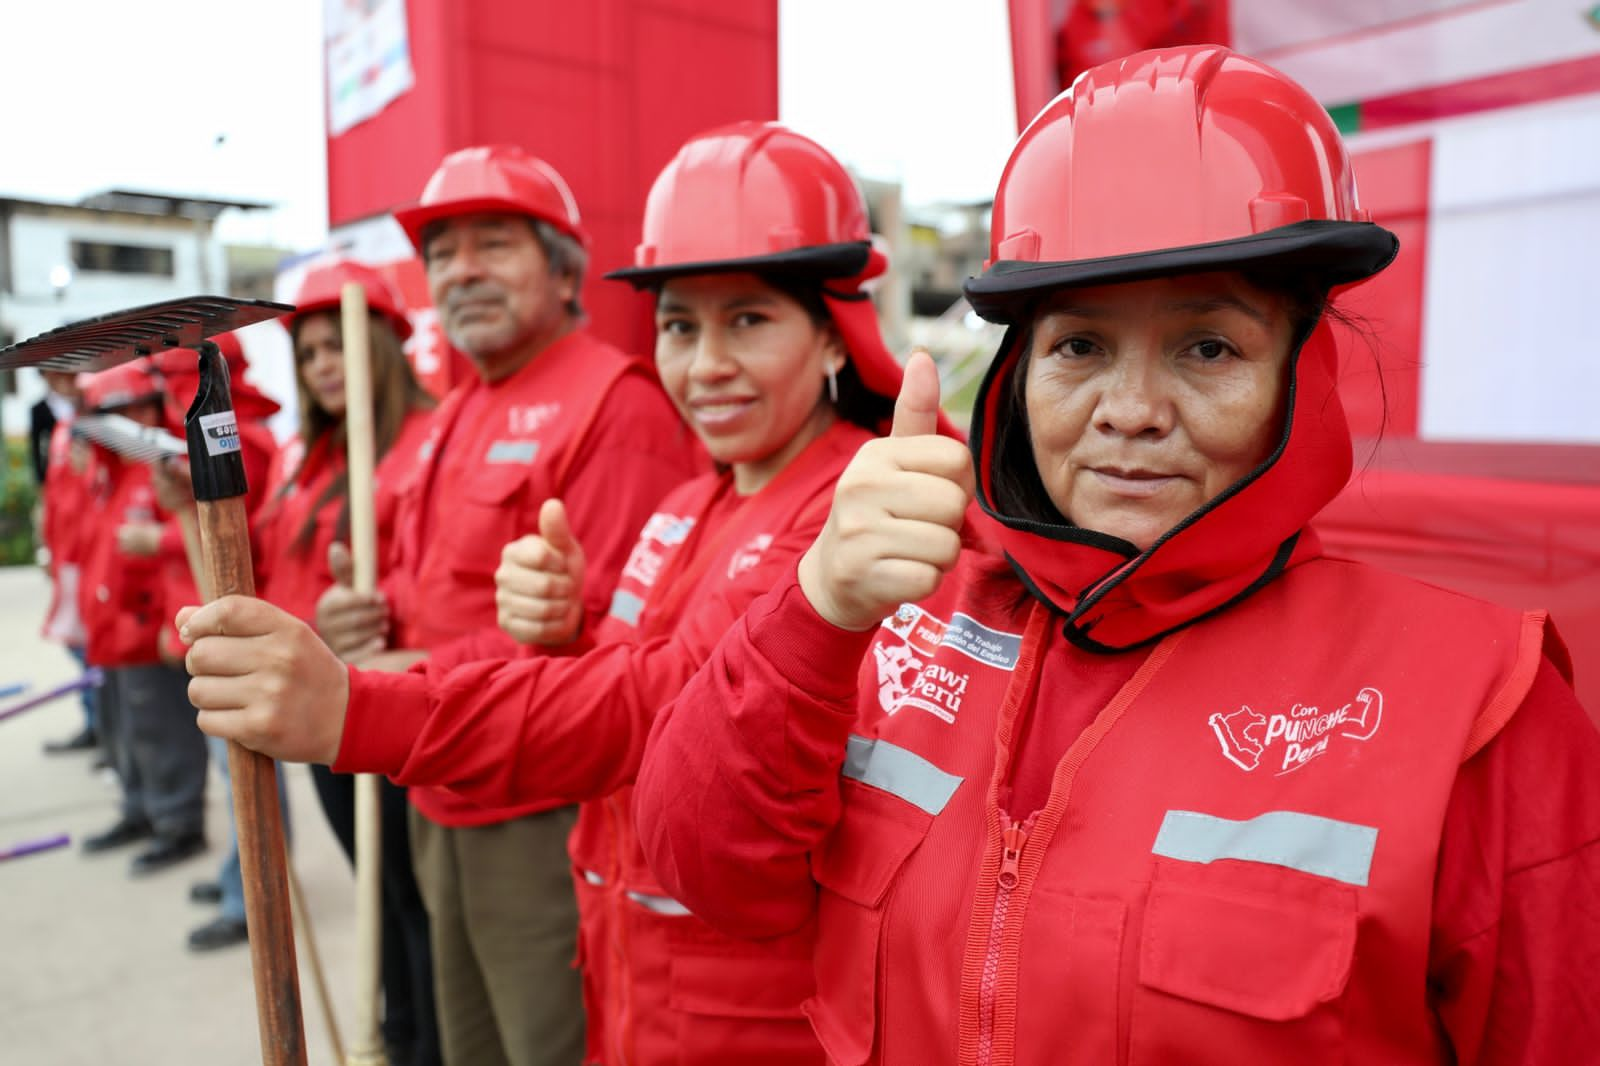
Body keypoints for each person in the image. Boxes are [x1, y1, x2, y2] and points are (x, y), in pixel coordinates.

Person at [625, 48, 1600, 1065]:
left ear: (1301, 372)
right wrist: (816, 607)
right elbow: (707, 867)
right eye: (1079, 347)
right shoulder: (900, 615)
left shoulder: (1479, 707)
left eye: (1206, 348)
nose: (1128, 414)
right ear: (1016, 374)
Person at [177, 122, 932, 1064]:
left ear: (833, 335)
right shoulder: (698, 499)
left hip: (749, 1005)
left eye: (748, 320)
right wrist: (564, 630)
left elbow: (656, 699)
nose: (705, 368)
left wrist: (358, 709)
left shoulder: (843, 508)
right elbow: (612, 672)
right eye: (679, 326)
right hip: (628, 957)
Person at [303, 145, 700, 1066]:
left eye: (494, 243)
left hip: (540, 809)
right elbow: (427, 593)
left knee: (549, 1045)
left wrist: (400, 679)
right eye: (443, 253)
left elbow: (620, 644)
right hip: (439, 789)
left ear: (563, 269)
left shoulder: (614, 405)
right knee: (467, 1043)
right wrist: (357, 622)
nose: (462, 271)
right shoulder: (457, 412)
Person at [237, 259, 440, 1066]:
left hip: (396, 709)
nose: (324, 364)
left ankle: (422, 1043)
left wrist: (358, 610)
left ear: (386, 346)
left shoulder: (428, 443)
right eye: (311, 352)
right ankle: (391, 1031)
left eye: (339, 346)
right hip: (322, 716)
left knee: (417, 903)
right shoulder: (303, 460)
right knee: (380, 894)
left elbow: (429, 583)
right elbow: (273, 576)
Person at [75, 361, 210, 875]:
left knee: (163, 733)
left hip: (148, 633)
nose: (128, 421)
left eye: (136, 407)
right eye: (115, 412)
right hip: (111, 635)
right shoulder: (106, 473)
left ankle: (176, 823)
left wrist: (163, 623)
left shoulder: (164, 467)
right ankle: (140, 811)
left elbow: (198, 535)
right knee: (126, 733)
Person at [35, 370, 100, 754]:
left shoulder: (94, 426)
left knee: (92, 647)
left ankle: (100, 727)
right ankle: (96, 724)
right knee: (80, 644)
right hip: (70, 555)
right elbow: (53, 493)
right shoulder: (64, 427)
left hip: (88, 554)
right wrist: (50, 549)